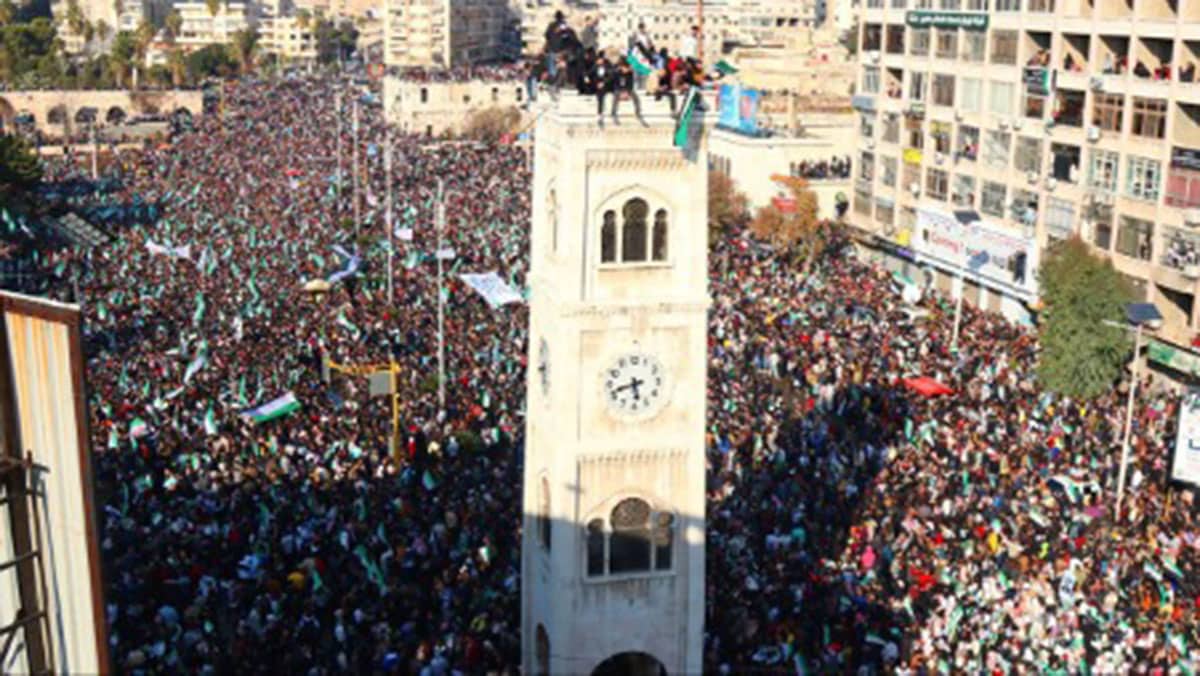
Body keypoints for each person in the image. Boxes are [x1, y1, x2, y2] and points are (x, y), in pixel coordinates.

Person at [611, 58, 642, 123]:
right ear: (621, 67)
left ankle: (638, 112)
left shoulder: (630, 73)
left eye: (627, 69)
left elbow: (631, 84)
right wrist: (621, 92)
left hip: (628, 89)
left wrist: (627, 92)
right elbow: (615, 84)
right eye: (624, 69)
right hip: (619, 89)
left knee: (636, 98)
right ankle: (613, 113)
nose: (626, 70)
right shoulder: (617, 73)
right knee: (615, 96)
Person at [591, 53, 614, 125]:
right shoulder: (595, 66)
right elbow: (591, 73)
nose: (597, 62)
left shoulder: (607, 66)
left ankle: (600, 113)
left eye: (599, 60)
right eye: (597, 60)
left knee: (601, 94)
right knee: (599, 93)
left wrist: (603, 83)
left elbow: (610, 77)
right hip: (597, 84)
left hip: (607, 84)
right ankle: (600, 112)